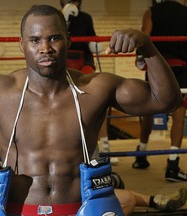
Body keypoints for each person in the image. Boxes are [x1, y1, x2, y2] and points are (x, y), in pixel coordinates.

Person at [0, 4, 182, 215]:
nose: (45, 48)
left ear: (69, 40)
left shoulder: (96, 87)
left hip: (79, 208)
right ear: (22, 44)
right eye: (35, 40)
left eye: (54, 38)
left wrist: (147, 47)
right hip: (17, 208)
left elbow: (165, 100)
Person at [133, 0, 187, 182]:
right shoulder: (184, 11)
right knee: (178, 113)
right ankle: (172, 165)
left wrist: (140, 58)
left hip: (157, 67)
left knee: (149, 108)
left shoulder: (151, 12)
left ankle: (141, 154)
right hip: (181, 67)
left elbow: (144, 36)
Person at [60, 0, 119, 164]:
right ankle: (65, 148)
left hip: (84, 63)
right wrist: (64, 21)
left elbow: (91, 41)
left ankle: (105, 148)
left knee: (95, 102)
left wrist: (100, 45)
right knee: (62, 104)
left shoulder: (85, 18)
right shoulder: (56, 18)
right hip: (61, 64)